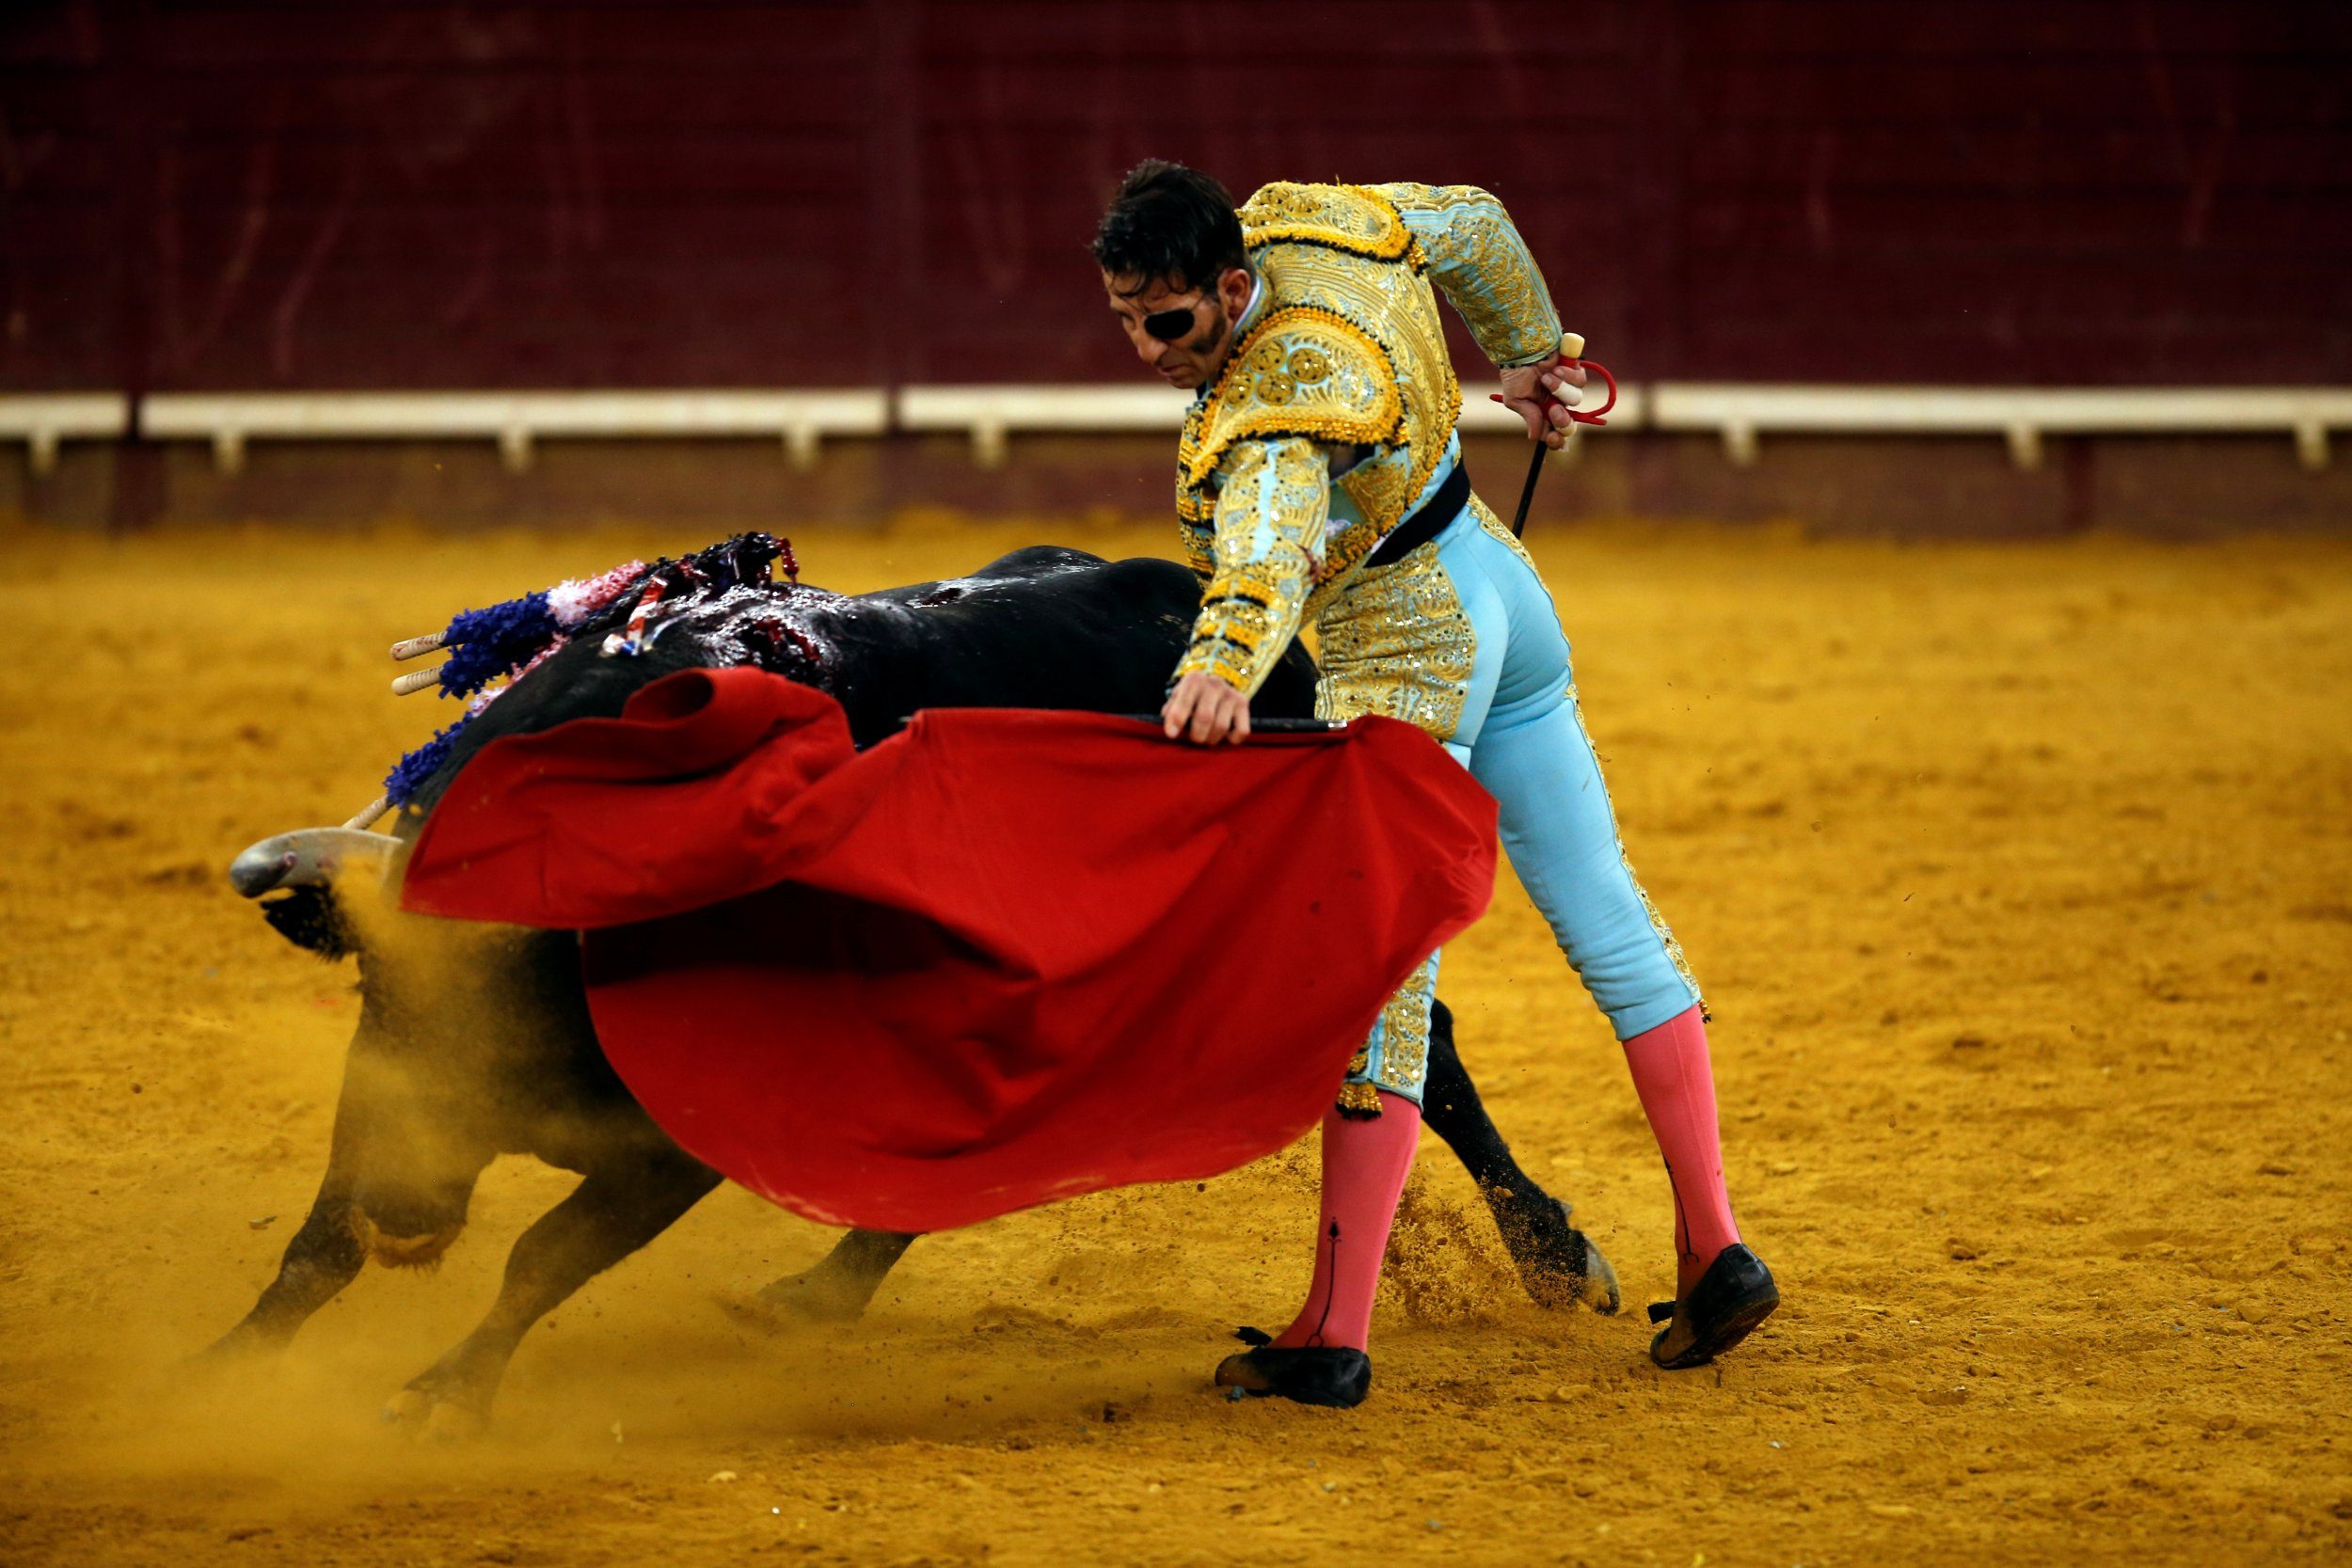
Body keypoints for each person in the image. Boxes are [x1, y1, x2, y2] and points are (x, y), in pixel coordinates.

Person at [1092, 161, 1778, 1407]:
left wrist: (1221, 664)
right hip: (1503, 584)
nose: (1146, 347)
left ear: (1232, 286)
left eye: (1170, 320)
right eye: (1125, 318)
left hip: (1407, 650)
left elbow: (1274, 531)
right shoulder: (1323, 221)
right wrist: (1530, 358)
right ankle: (1717, 1244)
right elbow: (1471, 223)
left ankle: (1333, 1335)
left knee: (1383, 982)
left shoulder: (1277, 395)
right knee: (1608, 915)